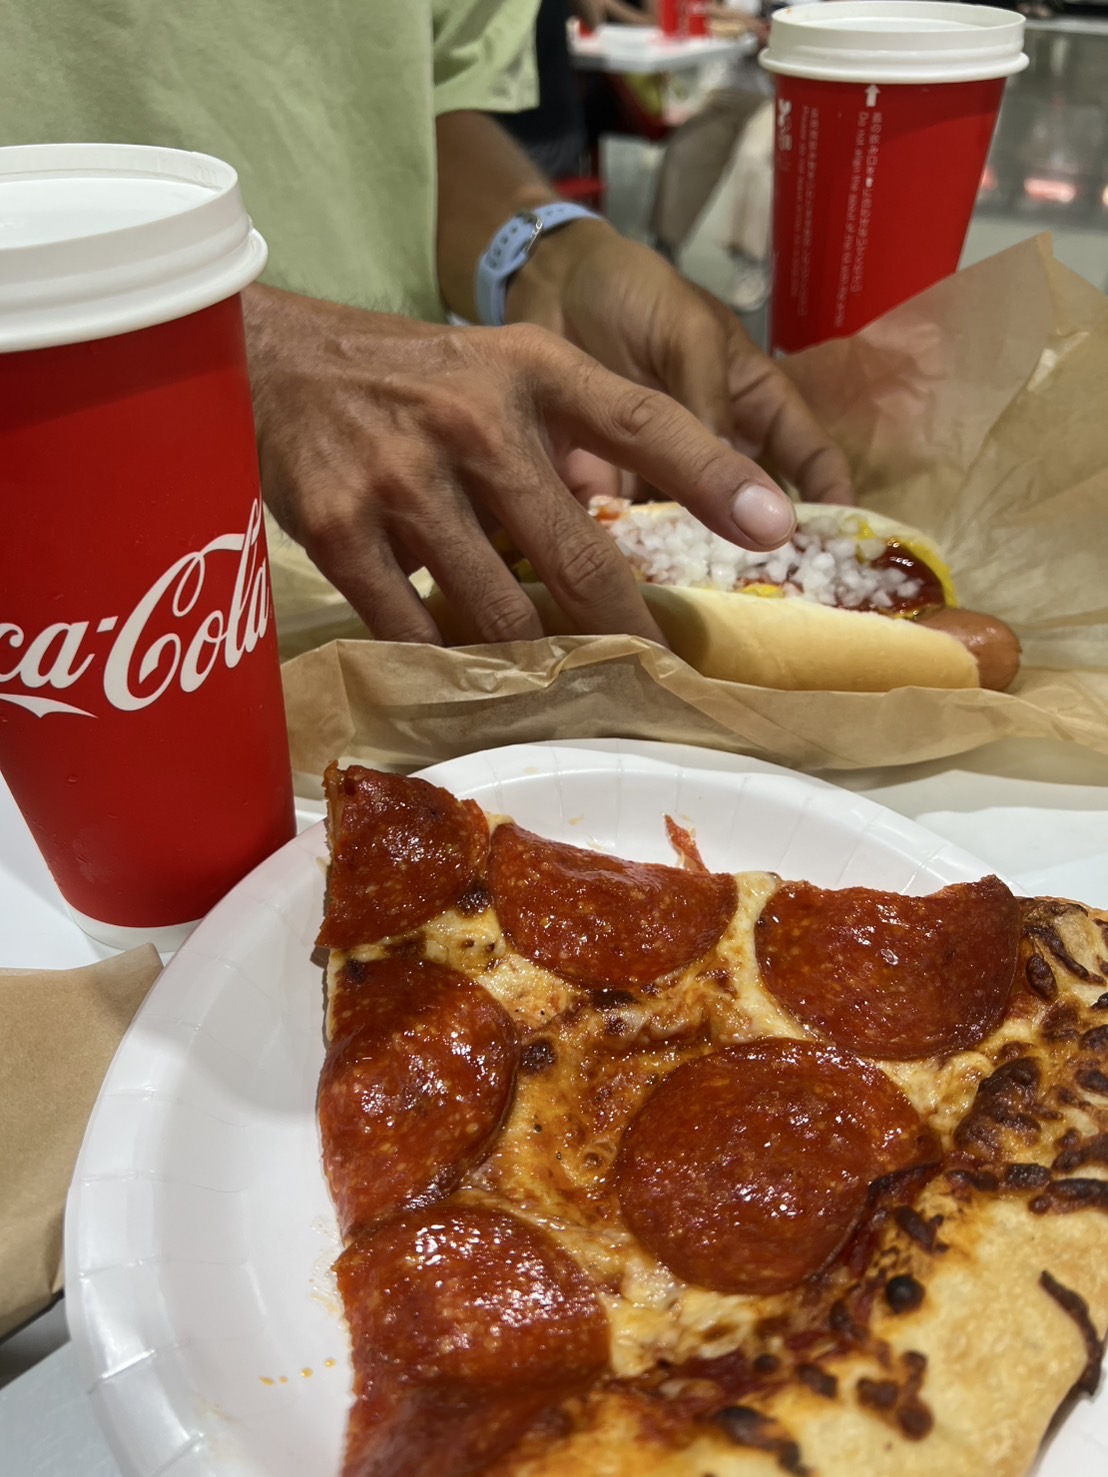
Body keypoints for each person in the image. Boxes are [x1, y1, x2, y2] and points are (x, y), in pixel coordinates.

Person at [0, 0, 852, 650]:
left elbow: (412, 111)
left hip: (417, 537)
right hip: (63, 605)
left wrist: (550, 256)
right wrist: (246, 350)